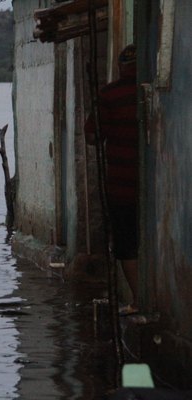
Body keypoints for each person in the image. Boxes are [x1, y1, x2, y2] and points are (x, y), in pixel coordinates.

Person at [85, 44, 139, 310]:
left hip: (121, 187)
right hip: (150, 190)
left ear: (121, 67)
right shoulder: (149, 92)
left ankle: (139, 301)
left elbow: (93, 136)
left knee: (126, 245)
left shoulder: (110, 94)